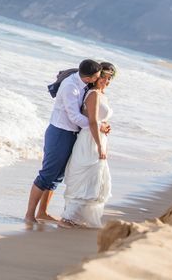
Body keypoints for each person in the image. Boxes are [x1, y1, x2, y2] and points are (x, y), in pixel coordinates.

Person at [24, 59, 107, 224]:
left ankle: (42, 212)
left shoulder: (83, 83)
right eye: (98, 76)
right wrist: (97, 127)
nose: (100, 78)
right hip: (59, 132)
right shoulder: (70, 87)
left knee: (57, 177)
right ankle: (29, 215)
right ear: (90, 77)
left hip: (71, 134)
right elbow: (74, 116)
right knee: (47, 174)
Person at [61, 62, 116, 228]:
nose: (105, 81)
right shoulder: (93, 94)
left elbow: (98, 120)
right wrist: (100, 147)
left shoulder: (101, 94)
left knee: (93, 178)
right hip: (90, 140)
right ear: (96, 77)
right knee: (87, 177)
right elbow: (92, 122)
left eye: (109, 78)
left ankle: (78, 217)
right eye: (103, 77)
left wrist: (104, 125)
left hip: (97, 136)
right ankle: (68, 218)